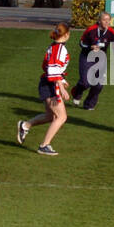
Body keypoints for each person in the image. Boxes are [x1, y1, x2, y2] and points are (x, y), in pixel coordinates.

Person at [17, 23, 73, 155]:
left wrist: (62, 80)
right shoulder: (59, 49)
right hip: (50, 85)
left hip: (47, 83)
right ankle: (44, 145)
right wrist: (61, 87)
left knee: (50, 116)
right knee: (61, 117)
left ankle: (25, 126)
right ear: (66, 35)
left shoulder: (54, 47)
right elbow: (53, 69)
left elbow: (48, 67)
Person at [70, 11, 114, 110]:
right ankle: (77, 92)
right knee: (85, 82)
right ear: (99, 21)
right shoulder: (91, 30)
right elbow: (81, 43)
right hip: (86, 58)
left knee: (99, 85)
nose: (106, 22)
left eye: (108, 20)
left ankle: (89, 104)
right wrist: (90, 47)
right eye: (104, 20)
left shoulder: (111, 33)